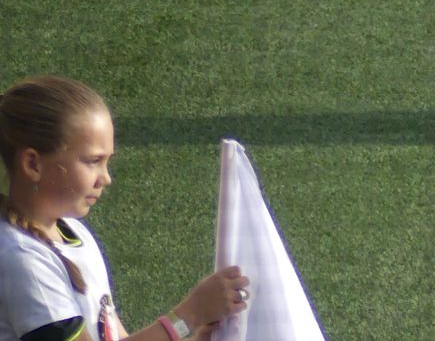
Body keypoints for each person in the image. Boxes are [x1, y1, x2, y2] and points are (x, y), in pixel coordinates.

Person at [0, 74, 249, 341]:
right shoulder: (21, 258)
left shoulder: (74, 233)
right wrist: (189, 315)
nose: (105, 178)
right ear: (33, 164)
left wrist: (198, 334)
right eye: (92, 161)